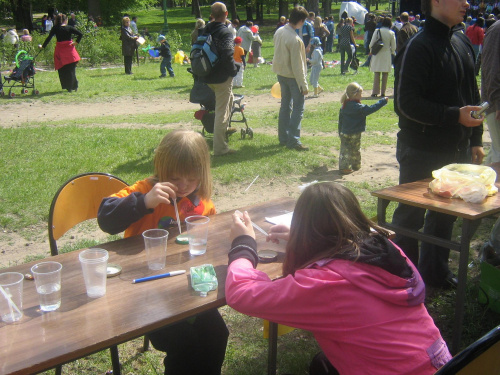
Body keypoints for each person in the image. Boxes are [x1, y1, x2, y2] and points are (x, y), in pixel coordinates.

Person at [225, 181, 452, 375]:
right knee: (322, 363)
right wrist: (301, 237)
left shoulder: (327, 284)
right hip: (439, 363)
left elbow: (242, 293)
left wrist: (243, 244)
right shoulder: (387, 250)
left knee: (322, 365)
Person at [97, 130, 229, 375]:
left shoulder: (201, 201)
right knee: (185, 343)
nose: (183, 186)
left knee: (217, 335)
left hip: (188, 288)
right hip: (147, 293)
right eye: (175, 178)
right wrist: (145, 202)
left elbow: (211, 243)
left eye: (191, 179)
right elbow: (106, 218)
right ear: (160, 169)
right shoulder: (146, 190)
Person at [392, 0, 484, 288]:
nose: (467, 3)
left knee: (445, 216)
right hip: (421, 149)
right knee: (410, 217)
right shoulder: (418, 46)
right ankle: (406, 278)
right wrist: (453, 116)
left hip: (456, 151)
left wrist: (476, 140)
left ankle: (435, 272)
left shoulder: (461, 42)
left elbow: (472, 93)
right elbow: (405, 104)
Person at [202, 2, 239, 156]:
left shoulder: (204, 30)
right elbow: (227, 55)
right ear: (226, 14)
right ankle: (220, 148)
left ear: (212, 15)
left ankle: (222, 130)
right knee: (221, 111)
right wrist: (234, 71)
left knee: (229, 100)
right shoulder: (225, 32)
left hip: (206, 74)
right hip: (221, 76)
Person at [273, 6, 309, 151]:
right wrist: (304, 85)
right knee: (298, 108)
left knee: (285, 106)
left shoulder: (280, 31)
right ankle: (293, 140)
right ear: (300, 20)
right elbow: (298, 65)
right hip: (292, 76)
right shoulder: (295, 39)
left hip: (281, 73)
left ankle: (284, 137)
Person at [338, 82, 388, 174]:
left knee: (345, 150)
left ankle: (344, 167)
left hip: (344, 132)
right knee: (355, 149)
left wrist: (340, 132)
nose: (362, 95)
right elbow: (372, 108)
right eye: (361, 93)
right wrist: (382, 101)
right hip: (355, 133)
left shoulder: (344, 106)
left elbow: (340, 120)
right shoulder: (359, 108)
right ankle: (356, 165)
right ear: (355, 94)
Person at [40, 14, 83, 92]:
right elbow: (80, 34)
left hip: (60, 51)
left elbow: (49, 38)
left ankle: (68, 86)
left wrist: (43, 46)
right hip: (69, 51)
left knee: (63, 69)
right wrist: (76, 42)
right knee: (71, 69)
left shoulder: (56, 28)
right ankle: (74, 86)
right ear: (65, 20)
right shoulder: (69, 28)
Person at [481, 18, 500, 163]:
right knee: (498, 156)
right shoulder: (497, 29)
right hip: (496, 105)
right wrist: (498, 101)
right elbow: (491, 71)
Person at [369, 17, 396, 97]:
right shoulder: (391, 33)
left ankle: (375, 92)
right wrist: (392, 52)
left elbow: (371, 44)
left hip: (377, 53)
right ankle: (383, 92)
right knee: (385, 73)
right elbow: (394, 46)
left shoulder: (377, 31)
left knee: (377, 72)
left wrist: (371, 50)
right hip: (386, 54)